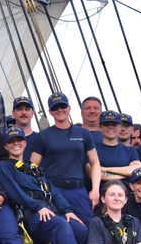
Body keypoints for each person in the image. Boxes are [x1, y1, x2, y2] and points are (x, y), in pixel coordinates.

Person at [0, 127, 88, 244]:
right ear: (5, 146)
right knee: (60, 225)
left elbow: (53, 191)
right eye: (10, 141)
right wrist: (38, 206)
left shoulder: (33, 168)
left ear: (25, 143)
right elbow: (15, 193)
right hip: (30, 213)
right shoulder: (4, 167)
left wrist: (68, 210)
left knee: (82, 231)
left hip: (50, 209)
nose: (15, 143)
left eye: (18, 140)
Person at [29, 93, 100, 225]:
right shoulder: (43, 136)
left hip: (78, 190)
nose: (60, 110)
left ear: (69, 108)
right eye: (55, 108)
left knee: (87, 228)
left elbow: (95, 163)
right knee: (59, 230)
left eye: (63, 106)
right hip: (53, 190)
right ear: (50, 112)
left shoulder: (83, 133)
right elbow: (32, 168)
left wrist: (95, 190)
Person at [94, 110, 141, 183]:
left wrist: (105, 169)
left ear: (120, 127)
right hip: (102, 192)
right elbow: (93, 173)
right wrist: (127, 173)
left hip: (126, 192)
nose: (110, 127)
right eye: (106, 124)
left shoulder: (130, 151)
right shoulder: (93, 150)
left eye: (114, 124)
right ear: (100, 127)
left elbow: (137, 170)